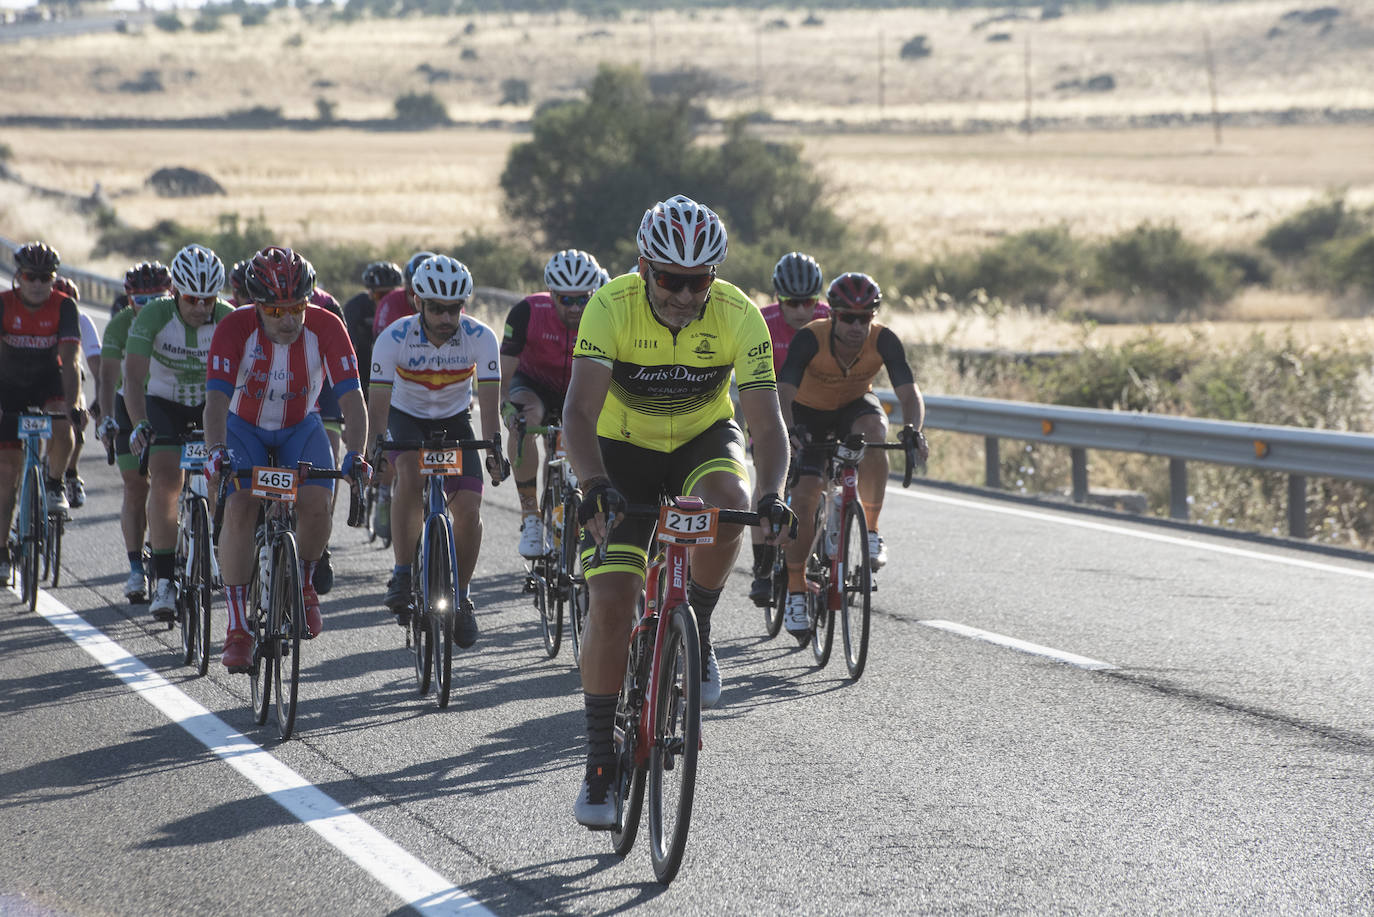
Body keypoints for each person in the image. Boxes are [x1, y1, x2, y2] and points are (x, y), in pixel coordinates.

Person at [563, 194, 795, 827]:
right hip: (619, 451)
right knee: (612, 602)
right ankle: (599, 763)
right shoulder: (609, 306)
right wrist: (591, 483)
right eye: (671, 280)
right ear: (644, 268)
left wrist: (774, 492)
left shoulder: (740, 316)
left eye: (699, 282)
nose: (686, 296)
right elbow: (578, 414)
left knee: (734, 505)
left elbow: (767, 427)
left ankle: (699, 620)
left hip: (700, 439)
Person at [204, 246, 369, 671]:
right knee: (240, 506)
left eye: (296, 307)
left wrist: (356, 455)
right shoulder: (234, 327)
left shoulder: (328, 327)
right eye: (276, 311)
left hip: (301, 427)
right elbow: (217, 402)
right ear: (256, 305)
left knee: (317, 504)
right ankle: (238, 626)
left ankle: (307, 584)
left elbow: (353, 399)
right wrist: (216, 452)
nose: (289, 319)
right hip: (244, 429)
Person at [776, 272, 930, 641]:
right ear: (833, 316)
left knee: (877, 432)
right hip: (808, 413)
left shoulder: (884, 339)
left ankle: (872, 530)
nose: (857, 326)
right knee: (807, 490)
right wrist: (790, 432)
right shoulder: (810, 338)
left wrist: (913, 430)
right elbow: (783, 390)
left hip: (853, 409)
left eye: (865, 318)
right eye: (848, 317)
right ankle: (796, 588)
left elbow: (909, 393)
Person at [367, 255, 507, 644]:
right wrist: (375, 451)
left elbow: (490, 407)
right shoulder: (393, 338)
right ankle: (400, 571)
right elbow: (377, 407)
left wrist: (495, 450)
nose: (447, 318)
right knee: (410, 474)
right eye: (436, 309)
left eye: (454, 308)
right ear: (417, 302)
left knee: (468, 509)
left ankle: (461, 597)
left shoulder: (481, 338)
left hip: (454, 422)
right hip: (405, 417)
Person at [123, 243, 233, 622]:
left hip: (212, 409)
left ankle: (219, 546)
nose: (201, 308)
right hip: (164, 405)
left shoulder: (228, 318)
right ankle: (166, 579)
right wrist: (139, 423)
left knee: (222, 477)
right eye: (192, 299)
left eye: (208, 299)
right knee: (167, 481)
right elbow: (134, 378)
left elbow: (250, 376)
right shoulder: (154, 315)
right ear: (175, 293)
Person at [499, 248, 605, 558]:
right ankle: (531, 517)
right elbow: (504, 376)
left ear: (593, 293)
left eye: (582, 299)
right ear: (552, 294)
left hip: (581, 386)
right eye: (566, 300)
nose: (575, 307)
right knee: (525, 418)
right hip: (534, 385)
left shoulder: (604, 315)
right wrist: (507, 409)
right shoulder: (526, 312)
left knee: (580, 443)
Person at [746, 251, 831, 606]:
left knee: (825, 476)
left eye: (808, 302)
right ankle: (761, 569)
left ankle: (826, 541)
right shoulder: (761, 322)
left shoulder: (831, 319)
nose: (800, 311)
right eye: (791, 303)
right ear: (778, 297)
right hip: (772, 411)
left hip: (818, 412)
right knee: (766, 480)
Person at [0, 242, 80, 582]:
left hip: (49, 383)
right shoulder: (4, 304)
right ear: (19, 277)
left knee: (64, 429)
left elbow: (71, 361)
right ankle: (2, 550)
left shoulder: (64, 307)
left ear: (54, 279)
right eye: (31, 277)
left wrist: (73, 404)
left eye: (45, 278)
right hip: (9, 387)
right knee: (6, 476)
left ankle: (53, 481)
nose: (37, 284)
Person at [97, 261, 172, 603]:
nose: (150, 305)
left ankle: (176, 548)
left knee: (171, 483)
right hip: (130, 407)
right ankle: (135, 569)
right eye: (142, 299)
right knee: (136, 484)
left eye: (158, 297)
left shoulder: (178, 320)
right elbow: (108, 378)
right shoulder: (120, 325)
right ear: (129, 300)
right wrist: (106, 419)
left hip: (167, 406)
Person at [56, 276, 100, 509]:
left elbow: (96, 363)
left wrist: (100, 396)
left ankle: (71, 472)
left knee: (79, 415)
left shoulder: (82, 320)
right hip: (39, 379)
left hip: (71, 376)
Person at [342, 260, 402, 398]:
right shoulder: (355, 306)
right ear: (370, 293)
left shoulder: (403, 305)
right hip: (364, 364)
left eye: (391, 295)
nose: (385, 301)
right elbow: (349, 345)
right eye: (379, 296)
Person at [371, 251, 435, 338]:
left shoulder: (451, 304)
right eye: (414, 291)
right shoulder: (390, 302)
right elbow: (379, 338)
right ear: (405, 287)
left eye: (430, 293)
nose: (419, 299)